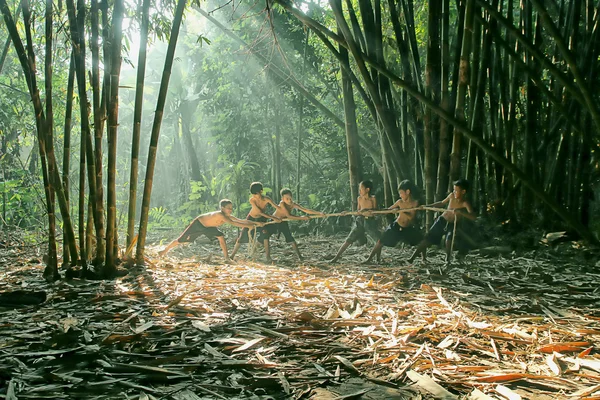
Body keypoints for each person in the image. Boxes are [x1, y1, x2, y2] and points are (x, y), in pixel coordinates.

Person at [158, 199, 263, 262]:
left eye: (231, 208)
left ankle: (226, 258)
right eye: (228, 208)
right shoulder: (221, 215)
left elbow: (240, 220)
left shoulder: (227, 215)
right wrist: (250, 225)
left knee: (221, 236)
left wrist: (256, 223)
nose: (230, 210)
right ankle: (164, 251)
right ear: (222, 208)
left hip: (209, 227)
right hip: (198, 224)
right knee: (182, 240)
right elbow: (235, 223)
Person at [408, 178, 476, 265]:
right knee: (427, 239)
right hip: (441, 221)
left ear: (463, 192)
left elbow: (473, 217)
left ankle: (447, 260)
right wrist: (427, 206)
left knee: (449, 239)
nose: (454, 192)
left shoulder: (465, 203)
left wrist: (461, 212)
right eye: (454, 190)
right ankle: (412, 258)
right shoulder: (451, 196)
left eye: (456, 190)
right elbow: (441, 203)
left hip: (452, 224)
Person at [362, 180, 422, 264]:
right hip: (396, 226)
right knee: (380, 242)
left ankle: (420, 259)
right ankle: (369, 259)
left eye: (401, 193)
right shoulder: (399, 202)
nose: (400, 195)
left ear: (407, 192)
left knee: (422, 240)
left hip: (408, 228)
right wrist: (375, 211)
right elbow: (388, 210)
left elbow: (411, 218)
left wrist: (401, 211)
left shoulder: (415, 203)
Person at [262, 188, 325, 263]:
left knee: (291, 239)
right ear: (282, 198)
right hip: (275, 221)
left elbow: (306, 210)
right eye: (287, 199)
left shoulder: (293, 204)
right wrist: (302, 218)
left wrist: (319, 213)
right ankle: (267, 257)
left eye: (290, 198)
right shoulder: (282, 203)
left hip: (283, 222)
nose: (289, 200)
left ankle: (300, 256)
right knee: (265, 237)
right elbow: (288, 215)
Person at [329, 180, 379, 263]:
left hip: (370, 221)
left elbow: (375, 211)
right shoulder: (359, 199)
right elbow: (357, 211)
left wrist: (367, 210)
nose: (359, 191)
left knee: (378, 241)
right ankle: (336, 258)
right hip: (360, 221)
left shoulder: (372, 199)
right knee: (349, 239)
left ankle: (376, 259)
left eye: (361, 189)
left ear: (367, 190)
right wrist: (348, 212)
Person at [230, 182, 281, 260]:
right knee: (242, 237)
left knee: (265, 235)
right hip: (251, 219)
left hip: (262, 219)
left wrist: (280, 215)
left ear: (261, 191)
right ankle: (232, 256)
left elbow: (277, 207)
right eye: (253, 194)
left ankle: (268, 257)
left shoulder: (267, 199)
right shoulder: (252, 200)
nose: (255, 196)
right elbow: (259, 212)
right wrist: (273, 217)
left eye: (256, 194)